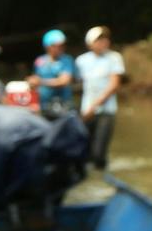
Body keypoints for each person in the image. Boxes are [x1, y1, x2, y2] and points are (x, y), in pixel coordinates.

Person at [76, 24, 127, 168]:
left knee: (99, 154)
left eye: (105, 39)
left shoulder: (114, 58)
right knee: (84, 152)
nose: (104, 42)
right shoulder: (81, 61)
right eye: (99, 40)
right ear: (90, 44)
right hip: (86, 111)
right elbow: (76, 84)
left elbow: (114, 85)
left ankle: (102, 182)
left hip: (106, 111)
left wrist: (95, 105)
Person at [30, 29, 75, 116]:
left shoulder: (66, 60)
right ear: (48, 46)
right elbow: (35, 80)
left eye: (62, 45)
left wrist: (41, 82)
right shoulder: (40, 61)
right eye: (56, 45)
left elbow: (64, 81)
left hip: (63, 105)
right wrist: (32, 83)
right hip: (43, 105)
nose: (61, 48)